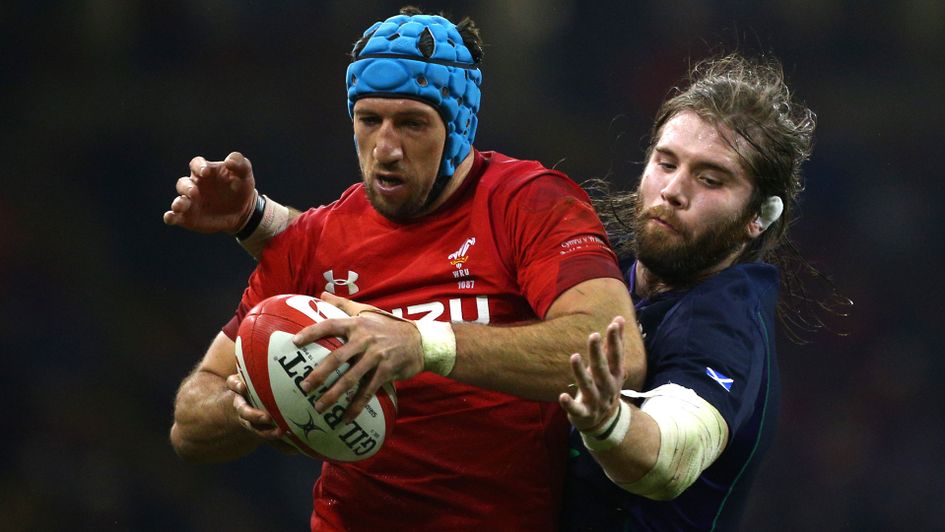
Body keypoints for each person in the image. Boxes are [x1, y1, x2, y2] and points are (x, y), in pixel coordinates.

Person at [166, 7, 645, 531]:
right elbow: (188, 426)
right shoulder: (315, 240)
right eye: (369, 120)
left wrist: (423, 345)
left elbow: (619, 355)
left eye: (412, 123)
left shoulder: (527, 204)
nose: (386, 149)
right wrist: (246, 407)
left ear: (458, 127)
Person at [557, 53, 844, 530]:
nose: (673, 190)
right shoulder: (603, 267)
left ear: (759, 217)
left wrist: (609, 422)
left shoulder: (723, 324)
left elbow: (669, 458)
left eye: (710, 180)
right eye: (665, 163)